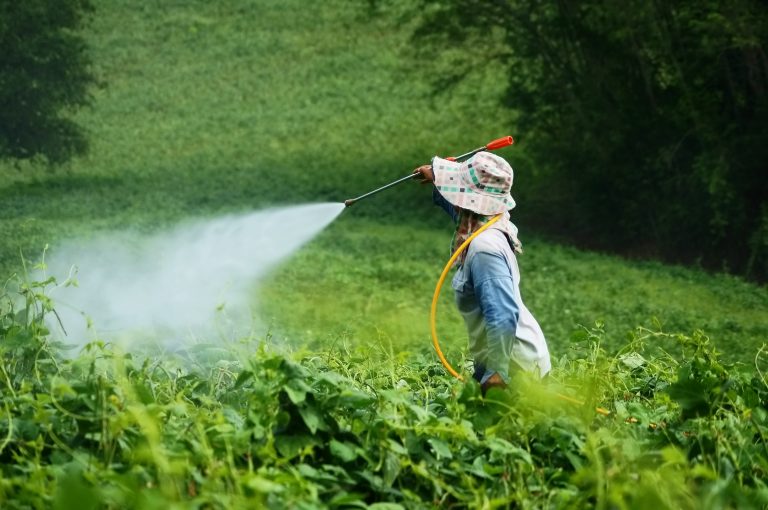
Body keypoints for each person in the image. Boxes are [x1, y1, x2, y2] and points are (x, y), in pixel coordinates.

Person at [413, 151, 551, 394]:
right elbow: (458, 209)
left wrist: (497, 372)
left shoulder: (484, 249)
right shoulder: (486, 221)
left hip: (514, 368)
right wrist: (437, 178)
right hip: (503, 359)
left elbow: (502, 314)